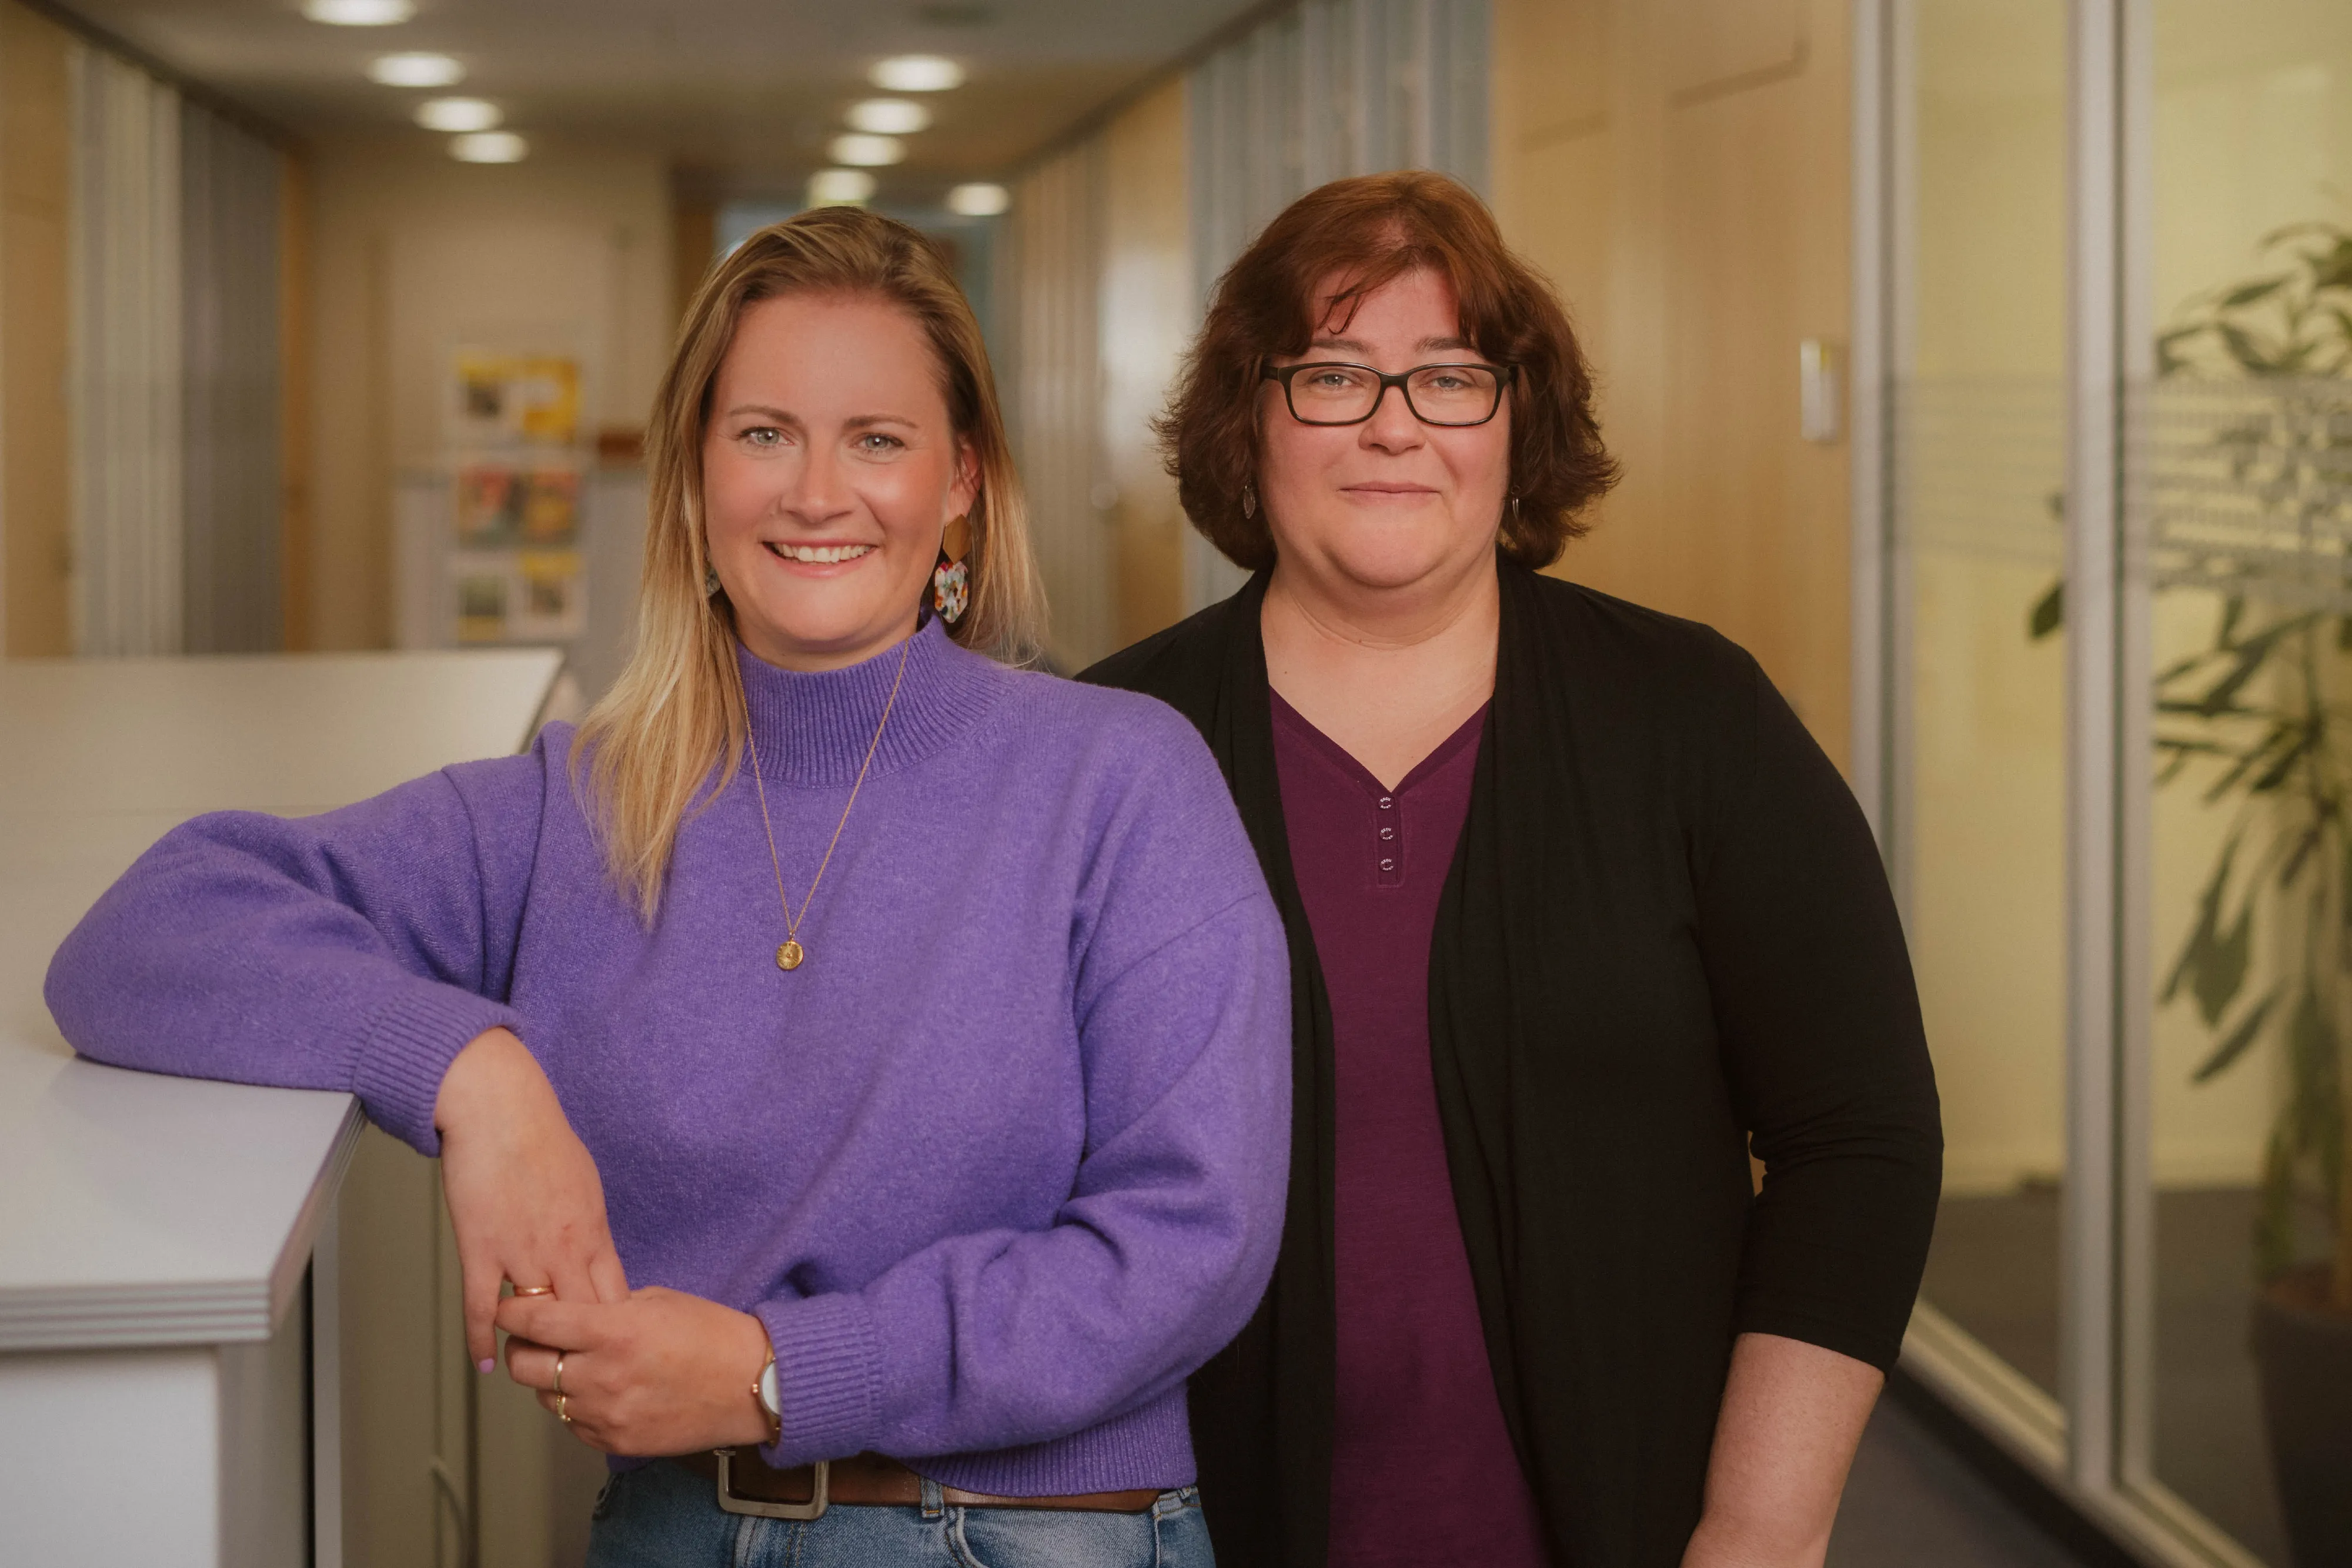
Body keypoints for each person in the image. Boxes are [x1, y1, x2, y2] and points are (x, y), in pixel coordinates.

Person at [48, 207, 1291, 1567]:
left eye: (876, 438)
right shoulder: (578, 805)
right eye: (762, 433)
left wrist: (780, 1372)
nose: (817, 490)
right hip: (677, 1529)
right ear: (694, 482)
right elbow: (149, 927)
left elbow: (1189, 1242)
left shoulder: (1114, 778)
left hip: (1030, 1535)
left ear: (959, 484)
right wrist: (474, 1072)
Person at [1082, 171, 1943, 1568]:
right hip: (1193, 1533)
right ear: (1250, 419)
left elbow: (1859, 1140)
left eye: (1448, 379)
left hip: (1636, 1527)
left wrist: (1760, 1525)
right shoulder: (1110, 748)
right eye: (1330, 377)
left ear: (1513, 422)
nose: (1391, 428)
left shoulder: (1688, 716)